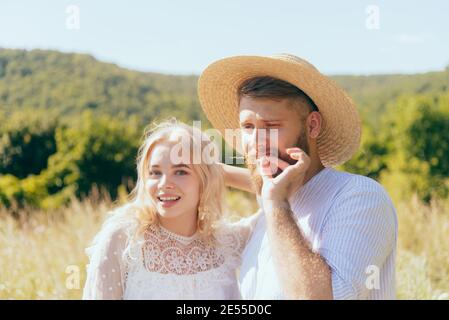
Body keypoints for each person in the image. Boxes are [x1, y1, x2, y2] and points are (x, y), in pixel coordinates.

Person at [198, 54, 398, 299]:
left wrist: (275, 203)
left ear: (312, 126)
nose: (255, 143)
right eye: (248, 127)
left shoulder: (360, 197)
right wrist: (203, 170)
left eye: (271, 126)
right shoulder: (270, 206)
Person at [82, 120, 256, 299]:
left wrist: (218, 171)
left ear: (205, 181)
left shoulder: (228, 243)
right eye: (155, 173)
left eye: (181, 172)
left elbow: (279, 192)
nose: (164, 184)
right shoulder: (124, 238)